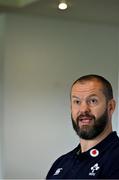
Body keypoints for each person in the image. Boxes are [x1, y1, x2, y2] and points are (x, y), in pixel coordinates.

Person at [46, 74, 119, 179]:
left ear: (110, 107)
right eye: (77, 102)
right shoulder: (60, 163)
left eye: (93, 101)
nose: (83, 109)